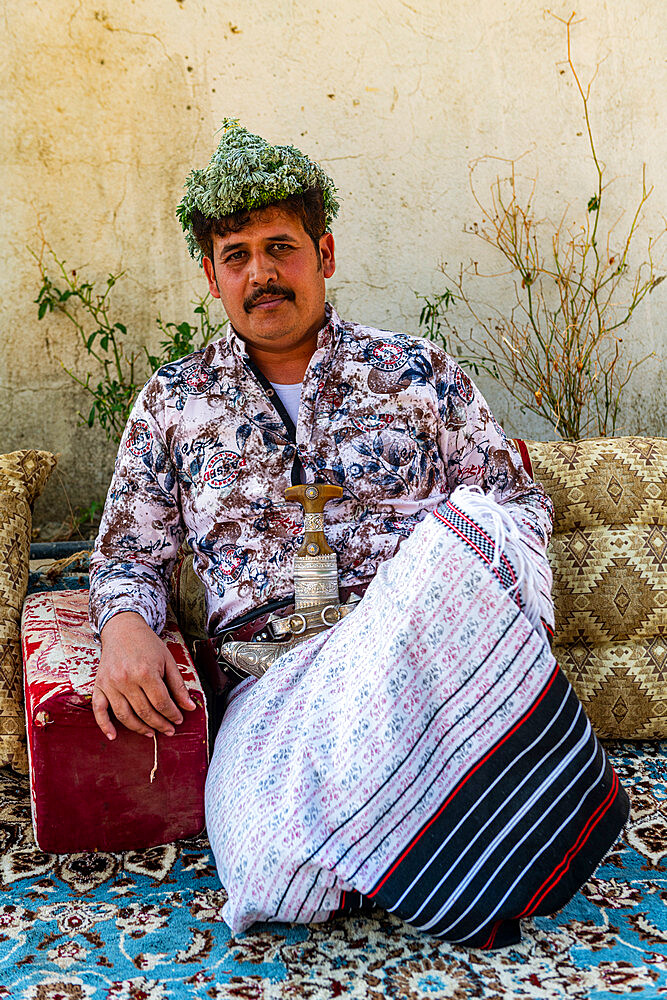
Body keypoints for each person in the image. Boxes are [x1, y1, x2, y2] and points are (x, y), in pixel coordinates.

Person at [89, 120, 628, 947]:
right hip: (274, 692)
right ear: (212, 275)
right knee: (269, 877)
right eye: (237, 256)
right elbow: (129, 553)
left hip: (412, 658)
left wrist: (457, 617)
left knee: (473, 525)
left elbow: (512, 510)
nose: (261, 273)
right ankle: (415, 820)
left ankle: (407, 810)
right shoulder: (174, 402)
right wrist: (125, 626)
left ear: (324, 254)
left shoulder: (416, 374)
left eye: (281, 247)